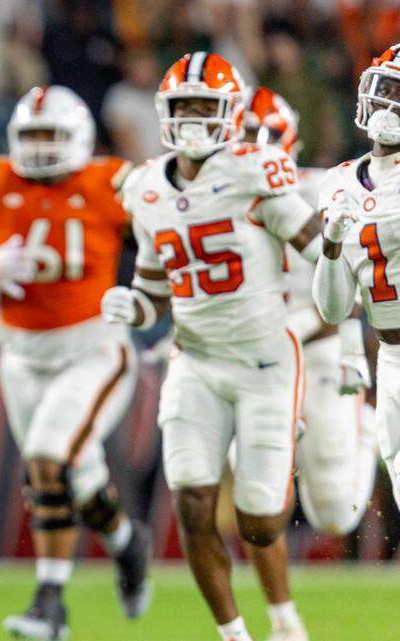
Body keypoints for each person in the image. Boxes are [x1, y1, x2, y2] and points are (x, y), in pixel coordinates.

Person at [102, 52, 324, 641]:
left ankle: (284, 615)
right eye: (184, 106)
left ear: (231, 113)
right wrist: (134, 305)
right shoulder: (147, 187)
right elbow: (154, 285)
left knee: (257, 523)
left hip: (266, 362)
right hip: (194, 361)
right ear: (165, 113)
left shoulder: (257, 169)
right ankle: (235, 635)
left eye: (207, 105)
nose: (195, 117)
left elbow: (319, 246)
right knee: (193, 504)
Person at [0, 85, 151, 641]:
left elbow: (165, 245)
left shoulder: (111, 182)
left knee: (49, 461)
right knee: (74, 478)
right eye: (32, 136)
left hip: (93, 348)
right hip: (21, 354)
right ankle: (128, 542)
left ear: (78, 136)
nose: (43, 147)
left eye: (53, 134)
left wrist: (149, 297)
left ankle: (49, 604)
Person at [235, 86, 377, 641]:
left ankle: (363, 427)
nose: (247, 150)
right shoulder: (206, 196)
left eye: (257, 139)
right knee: (260, 490)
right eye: (239, 139)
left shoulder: (320, 190)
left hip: (314, 346)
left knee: (336, 514)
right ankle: (279, 619)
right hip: (246, 360)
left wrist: (291, 328)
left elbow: (352, 291)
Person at [313, 43, 400, 512]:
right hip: (390, 356)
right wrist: (330, 242)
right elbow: (331, 307)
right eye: (388, 90)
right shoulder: (339, 182)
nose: (392, 104)